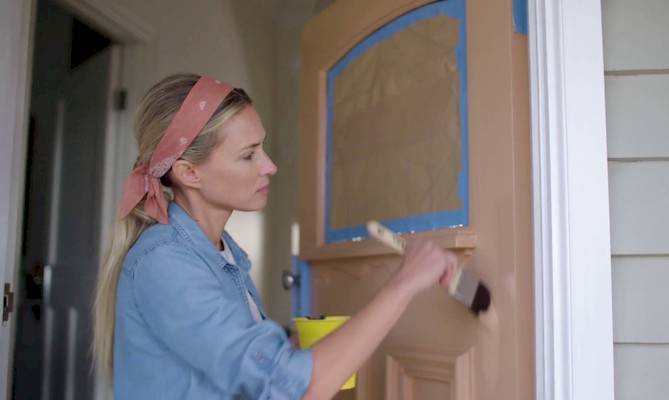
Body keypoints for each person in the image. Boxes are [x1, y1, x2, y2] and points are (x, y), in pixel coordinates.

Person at [92, 73, 457, 399]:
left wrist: (295, 348)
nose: (270, 166)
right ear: (189, 173)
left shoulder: (222, 253)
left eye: (262, 148)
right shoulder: (166, 263)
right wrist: (405, 283)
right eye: (249, 155)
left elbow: (247, 369)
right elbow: (296, 388)